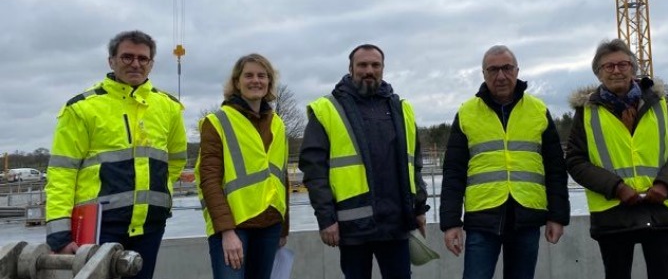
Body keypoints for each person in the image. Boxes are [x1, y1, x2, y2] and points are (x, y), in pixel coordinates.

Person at [45, 30, 187, 279]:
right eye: (127, 57)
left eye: (143, 58)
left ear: (151, 64)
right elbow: (62, 173)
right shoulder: (82, 108)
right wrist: (59, 233)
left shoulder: (169, 107)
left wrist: (154, 194)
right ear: (111, 61)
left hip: (149, 226)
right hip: (98, 226)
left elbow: (175, 160)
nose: (136, 64)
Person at [299, 44, 429, 279]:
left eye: (375, 65)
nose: (369, 70)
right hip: (353, 225)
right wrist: (326, 219)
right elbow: (314, 171)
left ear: (383, 68)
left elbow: (414, 164)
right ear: (351, 68)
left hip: (396, 224)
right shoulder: (328, 109)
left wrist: (419, 208)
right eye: (362, 65)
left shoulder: (401, 109)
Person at [440, 45, 570, 279]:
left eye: (507, 68)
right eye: (493, 70)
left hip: (527, 217)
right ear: (483, 74)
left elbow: (555, 169)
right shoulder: (467, 113)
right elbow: (453, 172)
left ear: (517, 70)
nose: (501, 76)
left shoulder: (538, 110)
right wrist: (451, 223)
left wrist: (557, 216)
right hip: (482, 218)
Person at [565, 39, 668, 279]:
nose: (616, 70)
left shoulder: (659, 105)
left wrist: (665, 185)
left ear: (633, 68)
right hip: (613, 213)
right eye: (608, 66)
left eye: (623, 64)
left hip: (658, 209)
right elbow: (575, 161)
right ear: (598, 73)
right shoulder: (586, 111)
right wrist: (617, 187)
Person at [196, 54, 290, 279]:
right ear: (237, 82)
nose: (256, 80)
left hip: (270, 224)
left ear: (269, 82)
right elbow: (209, 180)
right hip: (233, 226)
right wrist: (226, 231)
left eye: (262, 76)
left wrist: (284, 228)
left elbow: (281, 177)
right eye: (248, 75)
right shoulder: (217, 121)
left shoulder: (277, 123)